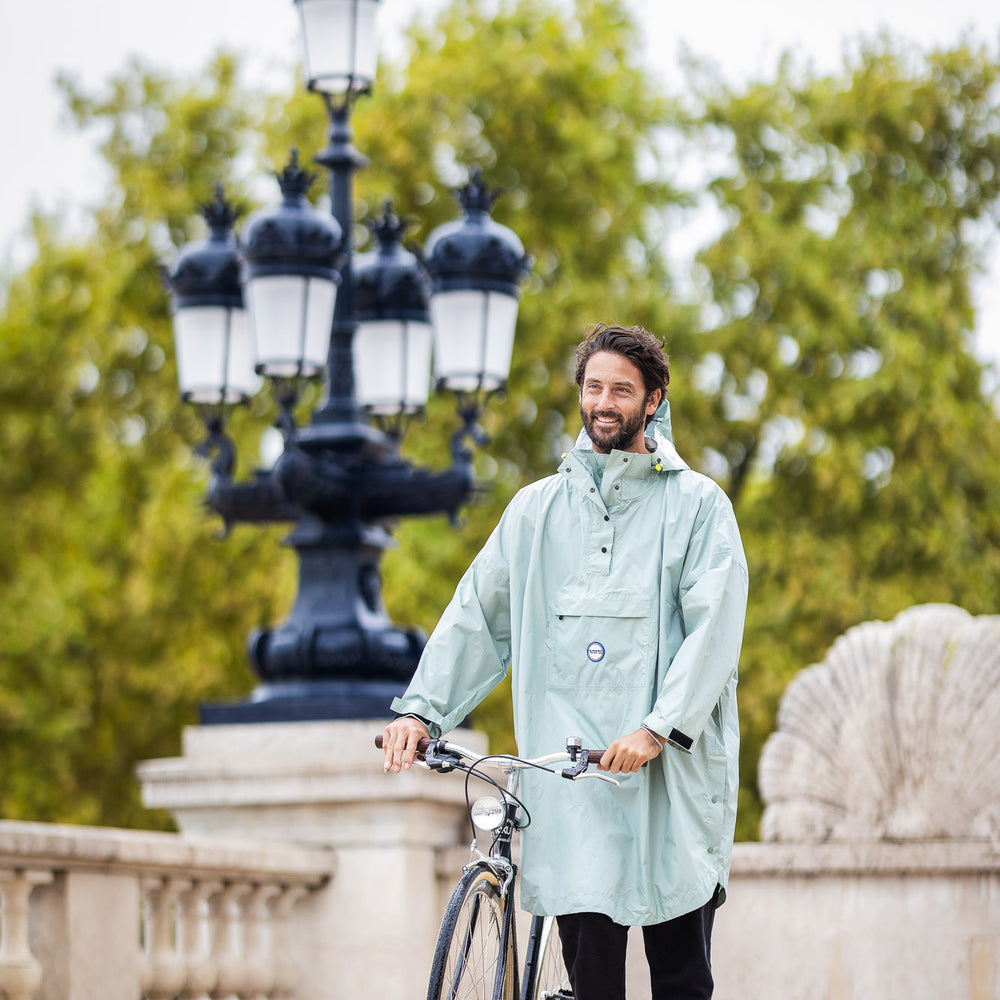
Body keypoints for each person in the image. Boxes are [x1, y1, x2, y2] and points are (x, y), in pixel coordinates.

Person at [381, 323, 748, 1000]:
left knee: (681, 980)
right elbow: (477, 617)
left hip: (669, 780)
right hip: (572, 785)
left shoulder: (699, 508)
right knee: (593, 984)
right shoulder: (534, 512)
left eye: (622, 390)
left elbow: (714, 634)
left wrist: (657, 728)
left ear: (654, 400)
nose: (604, 402)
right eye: (593, 387)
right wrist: (420, 712)